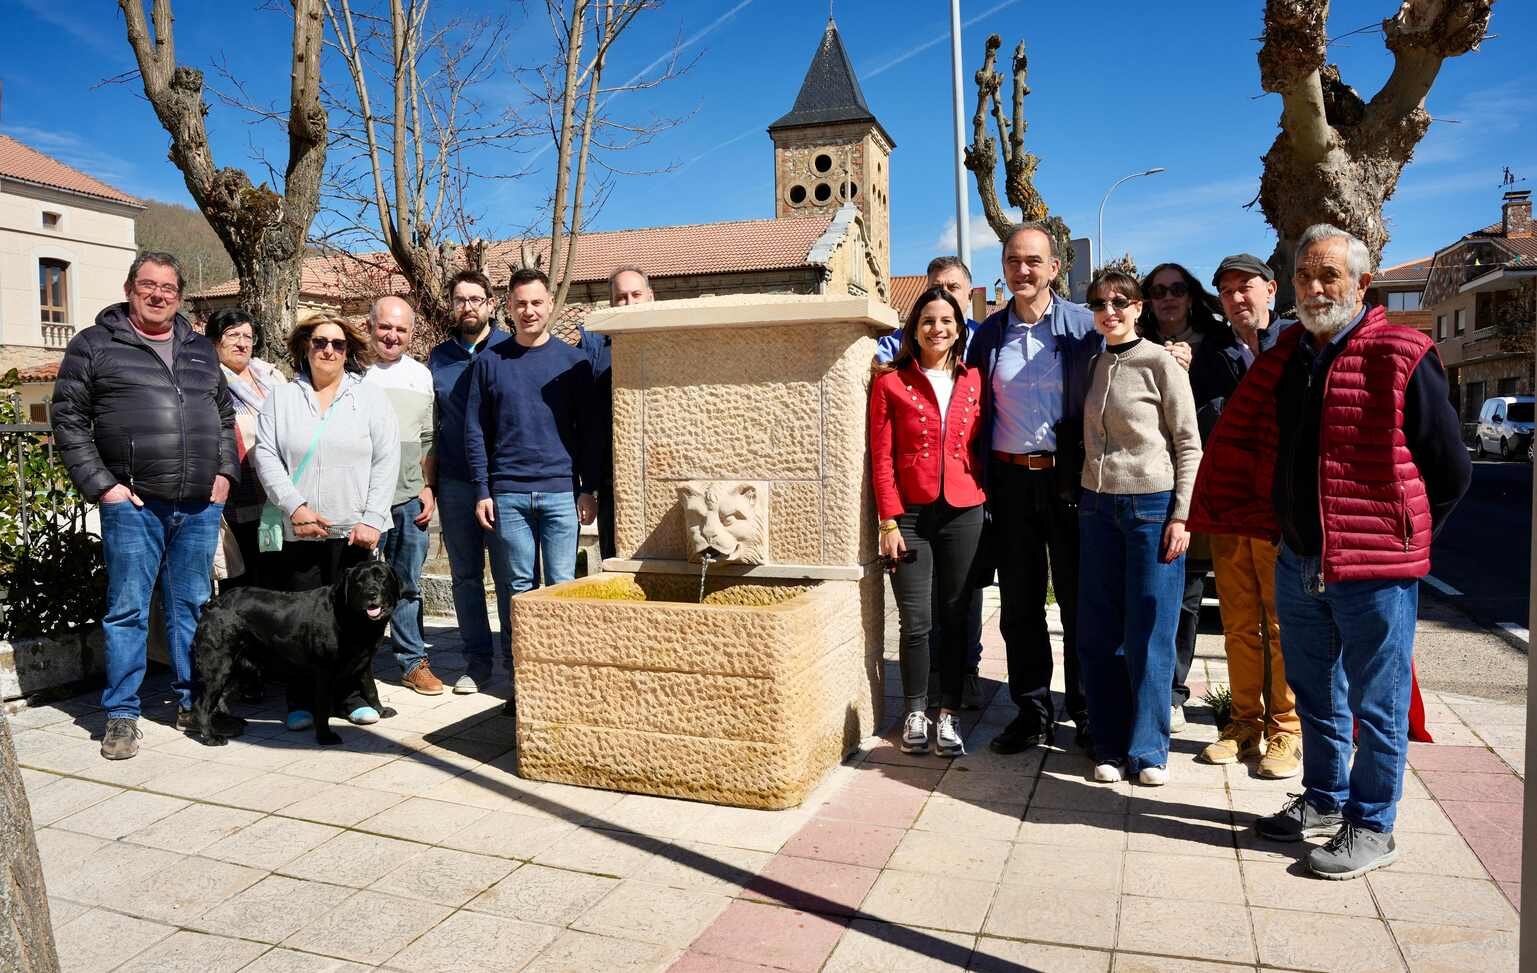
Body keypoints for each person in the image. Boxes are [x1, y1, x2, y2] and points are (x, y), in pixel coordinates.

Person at [1189, 224, 1471, 879]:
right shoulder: (1291, 355)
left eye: (1329, 276)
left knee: (1376, 702)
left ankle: (1373, 825)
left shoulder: (1402, 351)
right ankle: (1322, 800)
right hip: (1297, 556)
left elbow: (1448, 468)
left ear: (1361, 284)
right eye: (1304, 277)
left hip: (1373, 568)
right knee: (1314, 692)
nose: (1315, 289)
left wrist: (1402, 535)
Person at [52, 251, 240, 759]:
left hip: (199, 506)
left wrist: (225, 474)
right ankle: (121, 715)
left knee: (193, 609)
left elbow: (225, 417)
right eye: (148, 286)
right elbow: (68, 419)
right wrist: (104, 486)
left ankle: (191, 703)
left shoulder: (201, 349)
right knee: (128, 610)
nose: (159, 295)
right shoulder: (94, 345)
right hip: (133, 504)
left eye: (169, 288)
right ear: (130, 288)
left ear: (180, 295)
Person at [965, 223, 1101, 755]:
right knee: (1020, 605)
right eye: (1013, 261)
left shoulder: (1085, 328)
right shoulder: (988, 336)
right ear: (1003, 267)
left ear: (1053, 268)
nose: (1023, 270)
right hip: (1010, 482)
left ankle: (1086, 710)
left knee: (1076, 600)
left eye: (1033, 261)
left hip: (1070, 481)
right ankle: (1033, 710)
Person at [1076, 271, 1201, 786]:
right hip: (1097, 508)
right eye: (1101, 303)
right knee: (1098, 632)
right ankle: (1107, 742)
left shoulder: (1162, 363)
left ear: (1138, 307)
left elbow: (1189, 443)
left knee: (1150, 631)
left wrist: (1182, 514)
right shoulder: (1093, 363)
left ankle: (1148, 750)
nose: (1111, 311)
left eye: (1121, 302)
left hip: (1152, 508)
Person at [253, 313, 400, 729]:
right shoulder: (281, 399)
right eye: (319, 342)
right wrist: (295, 507)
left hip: (354, 532)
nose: (328, 350)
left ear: (348, 350)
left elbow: (387, 459)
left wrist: (372, 517)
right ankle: (300, 700)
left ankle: (351, 696)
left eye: (337, 344)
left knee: (354, 620)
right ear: (305, 347)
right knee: (299, 622)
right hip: (300, 531)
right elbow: (266, 455)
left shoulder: (369, 398)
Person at [465, 268, 600, 714]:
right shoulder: (490, 362)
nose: (529, 311)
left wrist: (588, 488)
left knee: (561, 586)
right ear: (508, 307)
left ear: (549, 306)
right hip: (508, 496)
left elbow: (587, 433)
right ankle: (522, 679)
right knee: (516, 589)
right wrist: (483, 489)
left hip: (562, 493)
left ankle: (561, 675)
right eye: (520, 303)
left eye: (537, 303)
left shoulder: (573, 363)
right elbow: (475, 431)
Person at [868, 286, 987, 757]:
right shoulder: (890, 384)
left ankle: (949, 715)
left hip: (964, 511)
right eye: (928, 321)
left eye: (947, 321)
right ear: (913, 330)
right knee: (917, 621)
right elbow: (880, 458)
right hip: (911, 517)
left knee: (957, 618)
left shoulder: (975, 379)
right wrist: (888, 522)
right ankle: (915, 710)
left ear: (959, 329)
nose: (938, 329)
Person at [1198, 254, 1301, 778]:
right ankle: (1244, 723)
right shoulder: (1210, 354)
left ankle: (1287, 729)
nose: (1238, 298)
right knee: (1239, 624)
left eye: (1246, 287)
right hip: (1230, 505)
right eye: (1227, 291)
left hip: (1280, 510)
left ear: (1271, 289)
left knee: (1282, 623)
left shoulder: (1298, 343)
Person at [1137, 262, 1236, 732]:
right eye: (1158, 291)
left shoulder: (1219, 344)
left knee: (1188, 594)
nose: (1168, 297)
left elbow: (1227, 405)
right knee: (1147, 590)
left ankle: (1174, 691)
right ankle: (1143, 686)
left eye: (1176, 289)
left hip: (1202, 483)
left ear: (1191, 295)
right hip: (1144, 483)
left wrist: (1190, 373)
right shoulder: (1131, 339)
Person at [428, 269, 513, 694]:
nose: (468, 307)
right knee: (465, 576)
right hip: (456, 483)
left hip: (504, 482)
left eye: (476, 299)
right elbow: (431, 423)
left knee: (509, 575)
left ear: (491, 304)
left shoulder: (509, 350)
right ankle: (476, 662)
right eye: (460, 299)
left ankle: (517, 661)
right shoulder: (438, 357)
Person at [363, 296, 441, 695]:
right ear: (370, 326)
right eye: (385, 327)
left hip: (409, 497)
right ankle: (352, 665)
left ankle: (412, 662)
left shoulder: (421, 376)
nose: (392, 336)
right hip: (359, 503)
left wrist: (428, 487)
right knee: (354, 585)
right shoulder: (351, 371)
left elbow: (428, 438)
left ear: (411, 333)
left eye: (401, 329)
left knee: (407, 583)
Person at [205, 307, 287, 590]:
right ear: (216, 340)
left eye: (248, 336)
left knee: (277, 581)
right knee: (242, 584)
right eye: (233, 335)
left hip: (277, 494)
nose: (242, 343)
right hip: (237, 496)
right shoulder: (207, 379)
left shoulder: (272, 377)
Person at [577, 265, 653, 561]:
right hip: (614, 484)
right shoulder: (595, 349)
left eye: (636, 294)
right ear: (611, 304)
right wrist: (589, 488)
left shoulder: (671, 340)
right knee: (616, 561)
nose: (630, 302)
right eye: (621, 297)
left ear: (650, 297)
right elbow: (587, 422)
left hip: (664, 475)